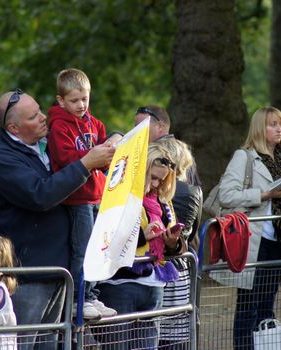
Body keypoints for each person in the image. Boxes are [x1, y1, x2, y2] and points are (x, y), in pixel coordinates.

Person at [0, 89, 115, 349]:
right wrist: (85, 164)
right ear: (14, 127)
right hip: (28, 275)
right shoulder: (1, 157)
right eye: (34, 116)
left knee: (50, 343)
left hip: (59, 271)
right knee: (25, 343)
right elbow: (40, 195)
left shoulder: (47, 144)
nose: (44, 117)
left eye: (40, 110)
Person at [218, 106, 281, 349]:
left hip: (279, 241)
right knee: (248, 306)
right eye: (272, 124)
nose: (279, 129)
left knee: (267, 306)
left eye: (280, 124)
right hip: (254, 241)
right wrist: (264, 194)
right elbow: (226, 195)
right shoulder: (245, 156)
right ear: (260, 128)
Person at [97, 143, 184, 349]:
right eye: (152, 177)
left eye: (161, 180)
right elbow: (106, 239)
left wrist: (172, 242)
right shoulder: (117, 194)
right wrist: (143, 237)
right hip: (120, 284)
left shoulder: (162, 201)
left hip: (153, 283)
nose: (155, 184)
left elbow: (173, 243)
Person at [47, 68, 115, 319]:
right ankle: (79, 298)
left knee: (99, 247)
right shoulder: (58, 126)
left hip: (98, 194)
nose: (81, 105)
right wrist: (92, 157)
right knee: (83, 249)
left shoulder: (95, 124)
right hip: (77, 197)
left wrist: (109, 153)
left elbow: (106, 161)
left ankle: (92, 295)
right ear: (61, 100)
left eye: (84, 99)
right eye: (74, 100)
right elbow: (64, 158)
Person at [153, 137, 202, 349]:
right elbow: (192, 233)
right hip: (180, 269)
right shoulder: (192, 192)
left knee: (150, 332)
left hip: (154, 268)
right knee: (177, 337)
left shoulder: (151, 189)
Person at [135, 105, 201, 187]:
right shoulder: (182, 151)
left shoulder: (159, 151)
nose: (136, 132)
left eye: (141, 127)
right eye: (135, 128)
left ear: (160, 126)